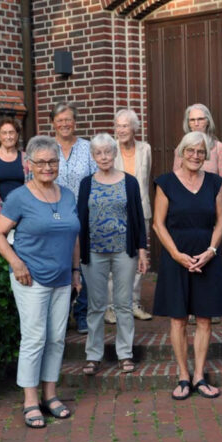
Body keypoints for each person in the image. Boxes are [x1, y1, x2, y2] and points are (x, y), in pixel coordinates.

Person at [0, 135, 81, 429]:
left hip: (62, 278)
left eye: (52, 161)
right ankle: (30, 400)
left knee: (56, 338)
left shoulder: (67, 195)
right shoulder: (19, 197)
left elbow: (73, 234)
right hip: (31, 278)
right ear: (29, 164)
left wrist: (76, 270)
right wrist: (16, 263)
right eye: (40, 162)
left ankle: (50, 394)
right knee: (34, 338)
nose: (47, 167)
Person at [153, 131, 222, 400]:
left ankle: (199, 376)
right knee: (178, 318)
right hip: (176, 258)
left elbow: (221, 221)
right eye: (190, 151)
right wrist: (176, 254)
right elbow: (158, 224)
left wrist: (211, 251)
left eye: (200, 151)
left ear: (206, 155)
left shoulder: (214, 183)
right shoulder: (165, 183)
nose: (195, 156)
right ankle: (183, 375)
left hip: (207, 258)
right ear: (181, 153)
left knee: (205, 319)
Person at [77, 133, 148, 375]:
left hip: (123, 252)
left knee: (123, 304)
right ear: (93, 156)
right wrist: (78, 253)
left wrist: (142, 250)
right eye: (99, 153)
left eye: (108, 151)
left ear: (115, 153)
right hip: (94, 252)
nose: (104, 156)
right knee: (96, 306)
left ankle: (125, 354)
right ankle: (93, 356)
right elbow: (80, 219)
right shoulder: (86, 183)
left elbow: (138, 218)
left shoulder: (129, 182)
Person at [173, 103, 222, 325]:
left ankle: (209, 306)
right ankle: (191, 306)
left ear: (208, 121)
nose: (196, 123)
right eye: (192, 120)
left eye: (200, 119)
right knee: (190, 257)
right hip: (188, 209)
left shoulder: (218, 147)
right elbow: (176, 177)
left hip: (211, 208)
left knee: (210, 255)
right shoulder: (183, 146)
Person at [51, 101, 96, 334]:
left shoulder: (88, 148)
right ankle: (62, 313)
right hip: (54, 215)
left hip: (83, 215)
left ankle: (81, 313)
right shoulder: (47, 149)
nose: (65, 124)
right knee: (61, 263)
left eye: (68, 119)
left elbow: (96, 181)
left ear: (75, 122)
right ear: (53, 124)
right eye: (60, 120)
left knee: (83, 265)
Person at [113, 108, 153, 321]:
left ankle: (133, 303)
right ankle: (112, 306)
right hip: (115, 211)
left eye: (125, 125)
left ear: (134, 128)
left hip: (141, 210)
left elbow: (145, 180)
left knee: (139, 257)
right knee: (114, 256)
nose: (121, 130)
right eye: (118, 126)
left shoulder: (145, 148)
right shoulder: (110, 149)